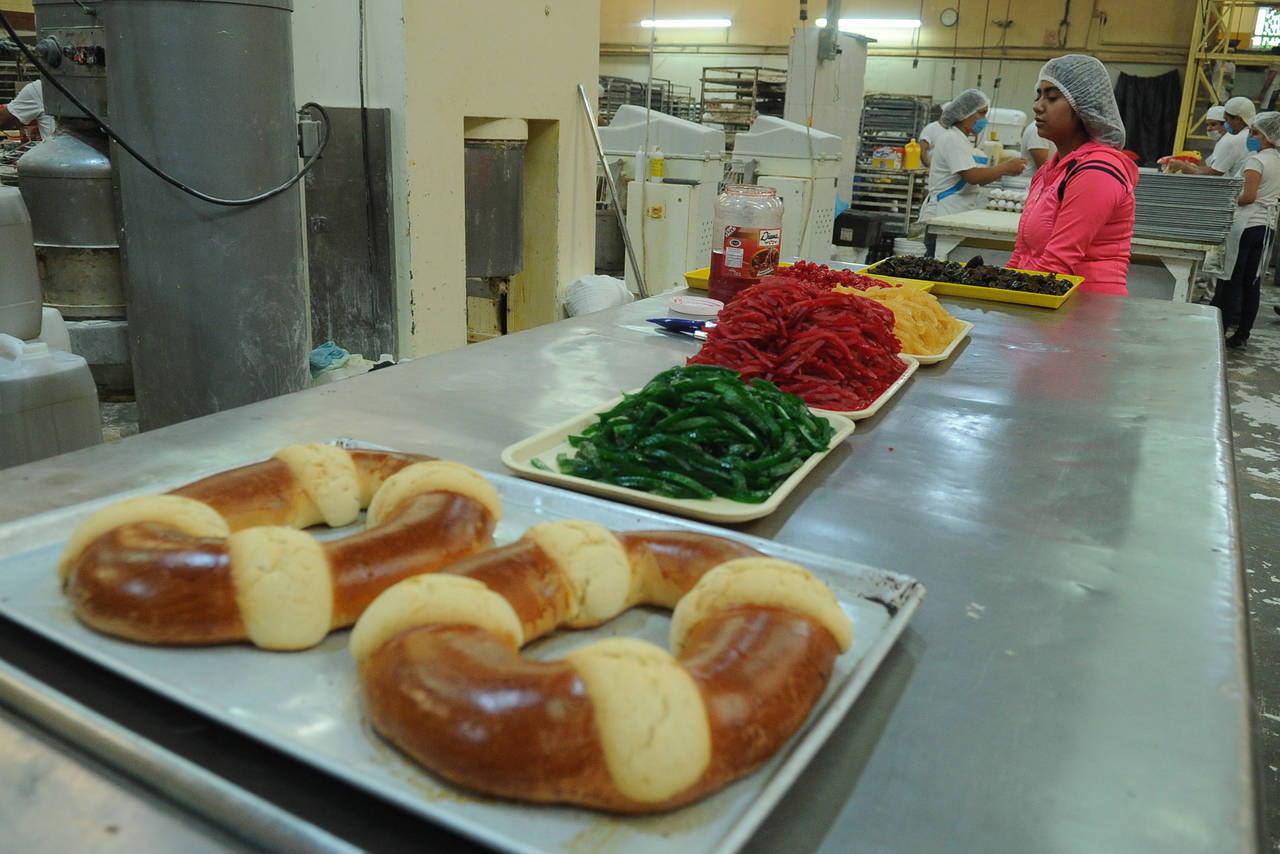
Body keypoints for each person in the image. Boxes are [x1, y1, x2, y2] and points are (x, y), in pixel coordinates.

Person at [1006, 55, 1139, 295]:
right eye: (1038, 96)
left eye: (1052, 97)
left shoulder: (1097, 171)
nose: (1037, 106)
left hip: (1086, 304)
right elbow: (1021, 254)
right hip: (1047, 296)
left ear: (1083, 107)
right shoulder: (1049, 172)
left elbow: (1057, 265)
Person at [915, 88, 1026, 252]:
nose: (984, 119)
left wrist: (1004, 170)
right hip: (943, 213)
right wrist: (1005, 167)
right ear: (963, 113)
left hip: (954, 214)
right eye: (981, 113)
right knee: (938, 258)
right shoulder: (952, 139)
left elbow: (979, 178)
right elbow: (973, 176)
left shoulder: (962, 140)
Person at [1215, 111, 1280, 348]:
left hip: (1248, 226)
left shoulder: (1256, 161)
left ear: (1268, 137)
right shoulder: (1277, 159)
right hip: (1266, 227)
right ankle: (1242, 335)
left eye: (1254, 133)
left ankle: (1220, 331)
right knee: (1252, 282)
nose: (1250, 137)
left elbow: (1249, 196)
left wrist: (1228, 201)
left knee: (1233, 280)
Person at [1167, 96, 1254, 177]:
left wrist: (1185, 168)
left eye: (1227, 120)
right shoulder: (1248, 135)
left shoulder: (1233, 140)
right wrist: (1194, 168)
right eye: (1207, 125)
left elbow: (1214, 173)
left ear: (1238, 119)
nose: (1209, 129)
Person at [918, 103, 945, 167]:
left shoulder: (954, 130)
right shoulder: (931, 128)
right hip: (929, 169)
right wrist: (930, 167)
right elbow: (922, 150)